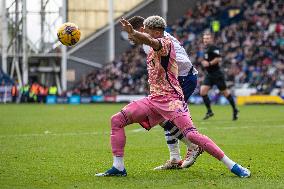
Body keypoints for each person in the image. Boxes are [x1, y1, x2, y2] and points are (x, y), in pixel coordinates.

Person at [95, 16, 250, 178]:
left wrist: (133, 32)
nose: (137, 35)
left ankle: (233, 166)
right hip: (154, 99)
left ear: (154, 32)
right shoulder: (152, 42)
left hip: (171, 99)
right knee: (117, 120)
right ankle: (119, 167)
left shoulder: (163, 43)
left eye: (145, 31)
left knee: (191, 134)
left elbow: (153, 43)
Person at [127, 16, 202, 170]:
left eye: (130, 33)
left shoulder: (151, 42)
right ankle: (175, 158)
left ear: (141, 29)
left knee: (167, 117)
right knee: (165, 118)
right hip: (179, 78)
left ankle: (193, 146)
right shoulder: (154, 39)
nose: (129, 37)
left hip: (182, 78)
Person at [200, 31, 239, 120]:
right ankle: (209, 111)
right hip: (209, 75)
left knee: (225, 93)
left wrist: (209, 63)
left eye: (207, 38)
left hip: (217, 74)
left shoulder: (214, 47)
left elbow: (218, 58)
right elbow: (207, 60)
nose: (205, 40)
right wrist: (204, 62)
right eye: (204, 38)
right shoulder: (206, 48)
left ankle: (235, 109)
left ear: (211, 39)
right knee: (203, 91)